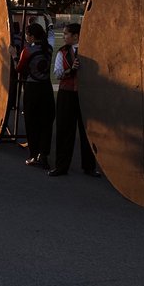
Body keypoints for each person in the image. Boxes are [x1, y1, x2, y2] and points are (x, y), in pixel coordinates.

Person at [50, 22, 99, 178]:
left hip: (86, 95)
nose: (64, 36)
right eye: (63, 34)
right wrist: (70, 70)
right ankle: (61, 166)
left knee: (87, 132)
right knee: (65, 130)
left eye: (66, 34)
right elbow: (57, 74)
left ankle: (89, 166)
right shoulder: (62, 53)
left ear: (76, 36)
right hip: (67, 94)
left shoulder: (91, 51)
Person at [18, 21, 55, 169]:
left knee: (32, 122)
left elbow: (19, 69)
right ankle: (44, 155)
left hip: (32, 88)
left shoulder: (27, 51)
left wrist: (14, 56)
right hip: (46, 87)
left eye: (27, 35)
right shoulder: (49, 49)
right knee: (46, 123)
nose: (26, 37)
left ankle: (34, 155)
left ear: (32, 36)